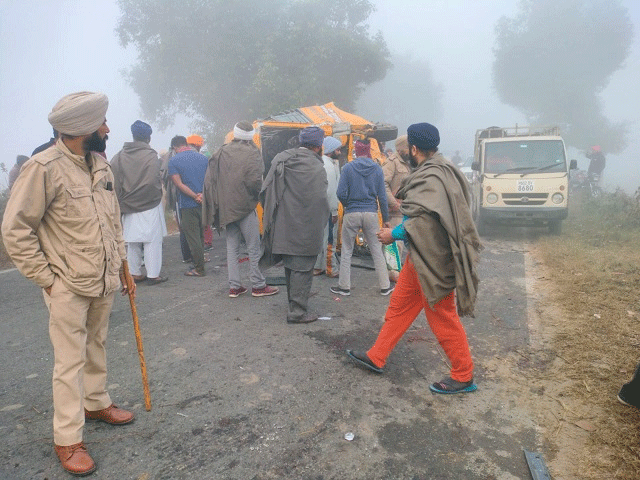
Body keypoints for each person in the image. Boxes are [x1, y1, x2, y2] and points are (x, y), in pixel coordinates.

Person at [1, 91, 136, 476]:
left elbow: (112, 221)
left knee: (98, 344)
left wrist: (124, 266)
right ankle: (68, 439)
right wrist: (47, 280)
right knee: (69, 362)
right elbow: (15, 230)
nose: (107, 129)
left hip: (104, 279)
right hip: (68, 286)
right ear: (81, 129)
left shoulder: (101, 166)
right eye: (101, 124)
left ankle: (96, 402)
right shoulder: (42, 168)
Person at [346, 122, 483, 395]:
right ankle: (377, 355)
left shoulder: (433, 176)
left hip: (434, 260)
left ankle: (463, 374)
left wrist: (394, 234)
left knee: (442, 317)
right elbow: (423, 214)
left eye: (409, 146)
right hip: (418, 257)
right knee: (399, 306)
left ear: (414, 148)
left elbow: (424, 220)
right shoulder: (439, 170)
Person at [260, 126, 329, 324]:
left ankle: (294, 303)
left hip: (283, 223)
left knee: (291, 265)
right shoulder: (315, 166)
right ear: (319, 145)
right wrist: (322, 220)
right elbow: (319, 199)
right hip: (305, 225)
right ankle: (297, 312)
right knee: (303, 267)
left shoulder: (283, 158)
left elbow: (265, 191)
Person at [203, 121, 279, 298]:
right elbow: (255, 181)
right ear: (250, 136)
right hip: (245, 208)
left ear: (235, 133)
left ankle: (234, 286)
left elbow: (211, 181)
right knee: (254, 248)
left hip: (226, 210)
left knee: (232, 248)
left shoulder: (221, 151)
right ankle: (259, 285)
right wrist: (258, 197)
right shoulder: (252, 152)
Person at [330, 139, 393, 297]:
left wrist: (348, 205)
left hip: (352, 212)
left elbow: (340, 193)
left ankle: (344, 287)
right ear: (369, 151)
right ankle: (385, 286)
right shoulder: (377, 169)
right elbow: (382, 197)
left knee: (347, 250)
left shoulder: (347, 168)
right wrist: (386, 218)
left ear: (356, 151)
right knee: (376, 250)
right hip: (371, 213)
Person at [110, 120, 168, 285]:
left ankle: (134, 272)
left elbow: (114, 179)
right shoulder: (151, 155)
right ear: (148, 137)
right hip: (149, 202)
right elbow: (153, 180)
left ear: (133, 135)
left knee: (132, 240)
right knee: (152, 241)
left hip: (128, 204)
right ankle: (153, 275)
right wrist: (154, 194)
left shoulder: (120, 155)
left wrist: (122, 199)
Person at [168, 135, 209, 277]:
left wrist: (194, 196)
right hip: (204, 203)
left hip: (187, 204)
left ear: (175, 147)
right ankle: (200, 262)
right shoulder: (203, 158)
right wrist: (202, 195)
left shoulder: (173, 161)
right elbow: (209, 180)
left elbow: (178, 184)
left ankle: (199, 268)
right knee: (201, 235)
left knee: (193, 238)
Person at [382, 135, 412, 280]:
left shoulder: (409, 163)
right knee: (394, 243)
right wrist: (394, 203)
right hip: (394, 211)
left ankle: (397, 272)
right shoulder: (391, 163)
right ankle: (393, 274)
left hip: (406, 209)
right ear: (400, 149)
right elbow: (383, 184)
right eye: (408, 147)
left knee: (403, 243)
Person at [313, 135, 342, 277]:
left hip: (320, 209)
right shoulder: (329, 166)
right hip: (329, 210)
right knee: (330, 239)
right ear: (331, 150)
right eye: (338, 149)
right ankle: (331, 269)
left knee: (321, 238)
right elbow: (331, 191)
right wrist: (334, 211)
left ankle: (318, 267)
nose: (340, 152)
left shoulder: (325, 163)